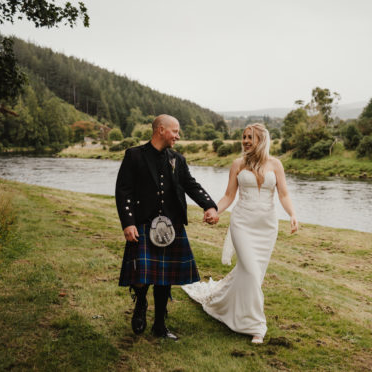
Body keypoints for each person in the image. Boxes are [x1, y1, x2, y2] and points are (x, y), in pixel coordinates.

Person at [182, 123, 298, 344]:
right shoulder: (237, 164)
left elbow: (283, 194)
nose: (245, 141)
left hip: (266, 227)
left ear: (261, 139)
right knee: (252, 273)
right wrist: (214, 210)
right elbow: (228, 195)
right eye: (243, 137)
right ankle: (257, 325)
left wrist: (292, 214)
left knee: (251, 275)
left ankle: (228, 307)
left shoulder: (276, 164)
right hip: (242, 224)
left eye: (249, 137)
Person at [115, 114, 219, 340]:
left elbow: (191, 185)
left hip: (170, 228)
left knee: (164, 279)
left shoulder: (177, 159)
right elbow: (124, 191)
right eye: (175, 131)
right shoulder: (134, 156)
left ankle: (160, 326)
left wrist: (209, 206)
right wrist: (128, 223)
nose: (178, 136)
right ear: (161, 130)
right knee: (142, 277)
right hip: (143, 223)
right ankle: (141, 302)